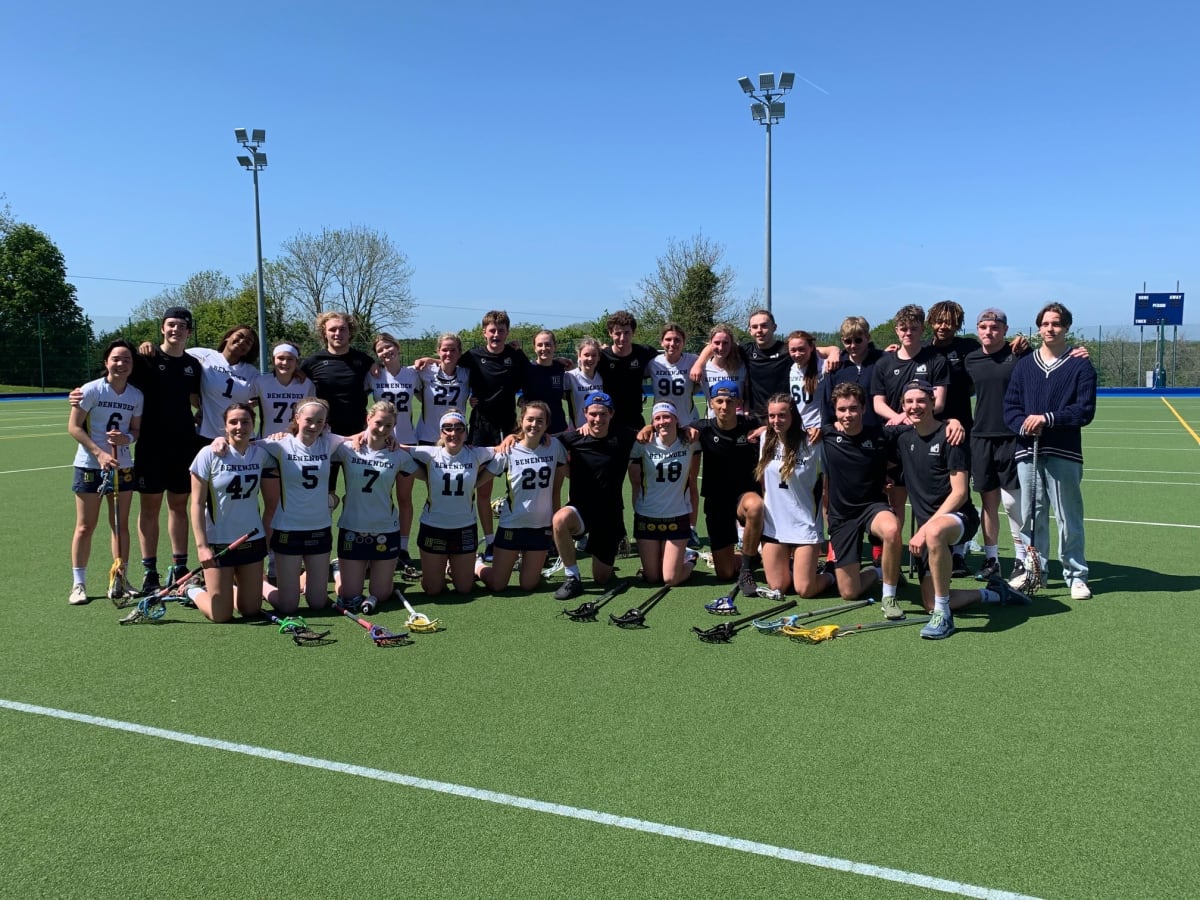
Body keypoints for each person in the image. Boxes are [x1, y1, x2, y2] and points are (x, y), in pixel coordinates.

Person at [897, 380, 1021, 639]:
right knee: (928, 602)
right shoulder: (903, 437)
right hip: (928, 529)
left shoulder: (951, 436)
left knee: (934, 533)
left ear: (933, 402)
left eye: (921, 401)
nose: (915, 406)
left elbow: (960, 493)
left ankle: (944, 617)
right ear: (902, 406)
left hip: (958, 518)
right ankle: (993, 593)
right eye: (909, 402)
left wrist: (925, 529)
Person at [1003, 302, 1098, 600]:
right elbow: (1011, 407)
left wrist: (1047, 419)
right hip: (1027, 450)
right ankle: (1035, 571)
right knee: (1031, 515)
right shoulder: (1024, 365)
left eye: (1056, 323)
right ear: (1038, 328)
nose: (1050, 329)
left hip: (1063, 451)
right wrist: (1024, 425)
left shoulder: (1080, 365)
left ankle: (1076, 575)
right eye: (1045, 324)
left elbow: (1084, 411)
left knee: (1068, 515)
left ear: (1066, 327)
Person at [126, 307, 201, 594]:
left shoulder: (193, 365)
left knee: (179, 507)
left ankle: (180, 568)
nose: (175, 330)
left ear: (188, 332)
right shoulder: (147, 358)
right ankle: (150, 572)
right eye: (171, 325)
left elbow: (197, 398)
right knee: (150, 508)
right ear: (162, 328)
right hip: (151, 446)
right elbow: (119, 377)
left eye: (181, 326)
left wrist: (204, 411)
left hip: (183, 444)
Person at [67, 340, 143, 604]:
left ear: (132, 365)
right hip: (90, 466)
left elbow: (135, 430)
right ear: (106, 362)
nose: (121, 364)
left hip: (122, 466)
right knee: (85, 526)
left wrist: (127, 439)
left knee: (120, 525)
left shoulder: (136, 396)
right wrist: (99, 454)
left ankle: (120, 579)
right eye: (116, 359)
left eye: (127, 360)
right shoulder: (91, 390)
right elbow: (74, 427)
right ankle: (78, 584)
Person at [256, 398, 346, 615]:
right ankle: (261, 584)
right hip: (288, 529)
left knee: (317, 603)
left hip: (319, 528)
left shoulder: (329, 441)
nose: (314, 426)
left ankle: (312, 577)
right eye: (309, 420)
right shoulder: (280, 444)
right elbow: (243, 445)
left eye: (320, 421)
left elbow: (362, 438)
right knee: (288, 606)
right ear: (297, 418)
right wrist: (218, 441)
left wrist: (389, 440)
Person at [819, 383, 903, 614]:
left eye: (853, 408)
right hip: (842, 516)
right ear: (835, 411)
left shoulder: (881, 434)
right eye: (842, 409)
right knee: (849, 592)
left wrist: (952, 422)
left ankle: (889, 597)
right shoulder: (826, 434)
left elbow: (918, 426)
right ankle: (879, 571)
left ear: (864, 409)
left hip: (872, 507)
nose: (848, 415)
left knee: (892, 530)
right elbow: (791, 429)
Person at [185, 403, 270, 622]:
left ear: (253, 424)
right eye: (233, 422)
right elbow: (196, 504)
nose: (239, 426)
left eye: (245, 422)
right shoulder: (208, 454)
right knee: (220, 615)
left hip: (251, 538)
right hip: (219, 541)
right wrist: (202, 547)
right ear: (224, 426)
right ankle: (191, 589)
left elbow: (288, 443)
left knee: (250, 610)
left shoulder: (261, 453)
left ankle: (225, 588)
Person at [552, 391, 639, 600]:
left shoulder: (624, 436)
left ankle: (609, 547)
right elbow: (540, 439)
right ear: (585, 413)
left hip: (610, 514)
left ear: (611, 414)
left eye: (603, 414)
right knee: (560, 520)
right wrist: (511, 437)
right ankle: (573, 577)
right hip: (581, 510)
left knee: (601, 578)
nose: (597, 419)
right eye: (593, 414)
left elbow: (650, 432)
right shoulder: (572, 438)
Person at [331, 401, 417, 612]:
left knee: (381, 594)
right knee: (349, 595)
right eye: (378, 422)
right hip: (353, 527)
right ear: (368, 419)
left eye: (388, 425)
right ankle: (338, 570)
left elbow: (426, 468)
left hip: (385, 529)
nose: (382, 429)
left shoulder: (399, 456)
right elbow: (320, 439)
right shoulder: (347, 448)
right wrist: (356, 435)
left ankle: (372, 572)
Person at [475, 401, 567, 592]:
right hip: (512, 524)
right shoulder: (508, 450)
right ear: (521, 421)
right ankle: (477, 565)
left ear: (547, 424)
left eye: (540, 421)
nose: (534, 424)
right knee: (498, 585)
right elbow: (480, 480)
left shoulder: (554, 446)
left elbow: (570, 471)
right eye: (530, 419)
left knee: (528, 585)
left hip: (540, 527)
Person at [963, 309, 1025, 584]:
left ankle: (1022, 559)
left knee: (1012, 503)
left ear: (1005, 329)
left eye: (995, 327)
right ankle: (992, 560)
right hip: (981, 438)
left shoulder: (1019, 354)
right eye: (984, 327)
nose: (989, 332)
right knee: (988, 504)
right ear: (978, 329)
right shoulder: (971, 359)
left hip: (1012, 436)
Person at [407, 410, 496, 596]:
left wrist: (510, 438)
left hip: (464, 527)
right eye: (447, 428)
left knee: (464, 588)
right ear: (441, 432)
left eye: (459, 428)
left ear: (466, 432)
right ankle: (443, 568)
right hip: (433, 526)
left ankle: (476, 564)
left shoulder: (476, 454)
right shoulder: (430, 453)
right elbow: (398, 448)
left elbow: (503, 450)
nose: (453, 433)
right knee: (433, 590)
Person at [691, 380, 765, 596]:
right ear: (711, 403)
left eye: (730, 401)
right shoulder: (701, 428)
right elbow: (668, 427)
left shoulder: (751, 424)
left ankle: (746, 569)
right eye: (719, 401)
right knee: (724, 573)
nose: (724, 406)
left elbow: (785, 423)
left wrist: (766, 428)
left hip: (744, 497)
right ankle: (750, 556)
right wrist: (649, 427)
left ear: (738, 403)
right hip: (717, 500)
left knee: (755, 506)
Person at [756, 394, 833, 598]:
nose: (776, 420)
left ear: (793, 415)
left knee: (805, 589)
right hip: (774, 525)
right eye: (772, 416)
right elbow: (764, 483)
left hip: (804, 525)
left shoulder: (813, 442)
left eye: (782, 415)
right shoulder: (765, 439)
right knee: (778, 586)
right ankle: (795, 565)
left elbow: (827, 483)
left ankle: (831, 574)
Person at [300, 312, 374, 492]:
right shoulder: (312, 362)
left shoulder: (364, 361)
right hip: (324, 436)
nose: (337, 333)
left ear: (350, 332)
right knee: (326, 493)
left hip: (358, 435)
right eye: (332, 329)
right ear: (324, 333)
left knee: (358, 492)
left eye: (343, 329)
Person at [629, 402, 701, 586]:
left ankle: (690, 558)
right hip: (647, 516)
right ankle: (664, 559)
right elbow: (634, 481)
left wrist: (692, 523)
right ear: (652, 423)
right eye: (658, 418)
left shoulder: (690, 442)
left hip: (677, 516)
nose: (662, 422)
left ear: (676, 419)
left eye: (667, 416)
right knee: (652, 577)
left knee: (670, 579)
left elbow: (692, 483)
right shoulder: (643, 443)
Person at [366, 333, 420, 565]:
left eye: (388, 347)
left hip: (407, 443)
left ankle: (403, 547)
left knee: (404, 498)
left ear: (397, 347)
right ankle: (380, 543)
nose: (385, 352)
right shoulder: (373, 375)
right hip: (382, 444)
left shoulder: (413, 373)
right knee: (381, 497)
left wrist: (429, 359)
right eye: (380, 350)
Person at [646, 323, 701, 544]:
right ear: (661, 342)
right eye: (668, 339)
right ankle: (662, 522)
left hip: (688, 427)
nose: (672, 343)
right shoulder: (653, 363)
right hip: (663, 427)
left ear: (684, 342)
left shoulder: (692, 360)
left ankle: (692, 527)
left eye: (677, 339)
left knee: (690, 481)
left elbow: (711, 355)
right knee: (664, 480)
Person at [189, 325, 260, 443]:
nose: (242, 341)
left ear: (250, 350)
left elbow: (269, 391)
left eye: (248, 342)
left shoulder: (252, 373)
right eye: (240, 336)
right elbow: (173, 355)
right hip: (208, 435)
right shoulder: (204, 355)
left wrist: (255, 403)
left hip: (240, 437)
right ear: (228, 336)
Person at [597, 310, 659, 429]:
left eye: (626, 333)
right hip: (608, 421)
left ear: (633, 332)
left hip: (635, 419)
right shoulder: (602, 357)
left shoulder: (644, 352)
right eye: (617, 333)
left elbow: (669, 360)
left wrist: (696, 363)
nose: (622, 338)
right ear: (610, 333)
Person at [820, 316, 884, 428]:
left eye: (858, 340)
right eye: (848, 341)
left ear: (868, 337)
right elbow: (827, 403)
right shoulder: (836, 366)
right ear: (842, 340)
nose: (853, 345)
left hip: (879, 431)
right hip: (845, 432)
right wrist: (831, 424)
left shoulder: (883, 361)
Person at [415, 333, 471, 444]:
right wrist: (378, 367)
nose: (448, 353)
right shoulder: (425, 371)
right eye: (444, 350)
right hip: (428, 436)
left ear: (459, 352)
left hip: (457, 436)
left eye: (453, 350)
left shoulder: (466, 373)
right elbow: (398, 372)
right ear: (438, 351)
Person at [521, 330, 569, 434]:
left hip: (558, 429)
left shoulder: (561, 367)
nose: (543, 348)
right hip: (534, 431)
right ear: (534, 348)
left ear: (555, 346)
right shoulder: (527, 369)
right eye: (539, 345)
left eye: (548, 344)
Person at [699, 324, 747, 416]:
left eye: (725, 343)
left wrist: (746, 412)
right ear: (710, 343)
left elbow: (747, 396)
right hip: (713, 421)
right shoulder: (702, 369)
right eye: (717, 343)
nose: (721, 348)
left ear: (731, 344)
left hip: (738, 421)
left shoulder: (741, 367)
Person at [786, 329, 827, 437]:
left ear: (811, 347)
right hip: (798, 429)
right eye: (793, 350)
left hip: (818, 429)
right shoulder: (792, 368)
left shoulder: (824, 367)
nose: (797, 354)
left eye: (801, 349)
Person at [564, 337, 604, 429]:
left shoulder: (603, 377)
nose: (590, 359)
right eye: (586, 355)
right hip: (577, 431)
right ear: (579, 356)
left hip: (599, 430)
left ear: (599, 357)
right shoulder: (569, 376)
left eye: (594, 355)